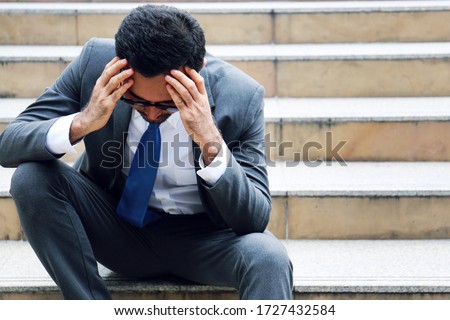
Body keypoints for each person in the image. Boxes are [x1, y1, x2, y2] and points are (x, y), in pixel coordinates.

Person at [0, 4, 293, 299]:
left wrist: (208, 138)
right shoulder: (95, 66)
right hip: (118, 232)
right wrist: (83, 120)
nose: (151, 114)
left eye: (167, 105)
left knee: (269, 258)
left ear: (197, 70)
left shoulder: (240, 96)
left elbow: (254, 219)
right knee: (30, 177)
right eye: (137, 101)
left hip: (207, 242)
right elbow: (9, 144)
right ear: (120, 65)